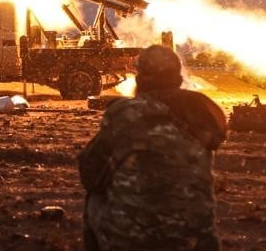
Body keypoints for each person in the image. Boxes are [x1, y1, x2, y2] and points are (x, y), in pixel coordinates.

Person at [78, 45, 228, 251]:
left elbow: (90, 173)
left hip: (132, 240)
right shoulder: (202, 109)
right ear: (177, 75)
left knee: (94, 198)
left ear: (141, 77)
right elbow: (215, 141)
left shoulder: (124, 112)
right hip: (189, 239)